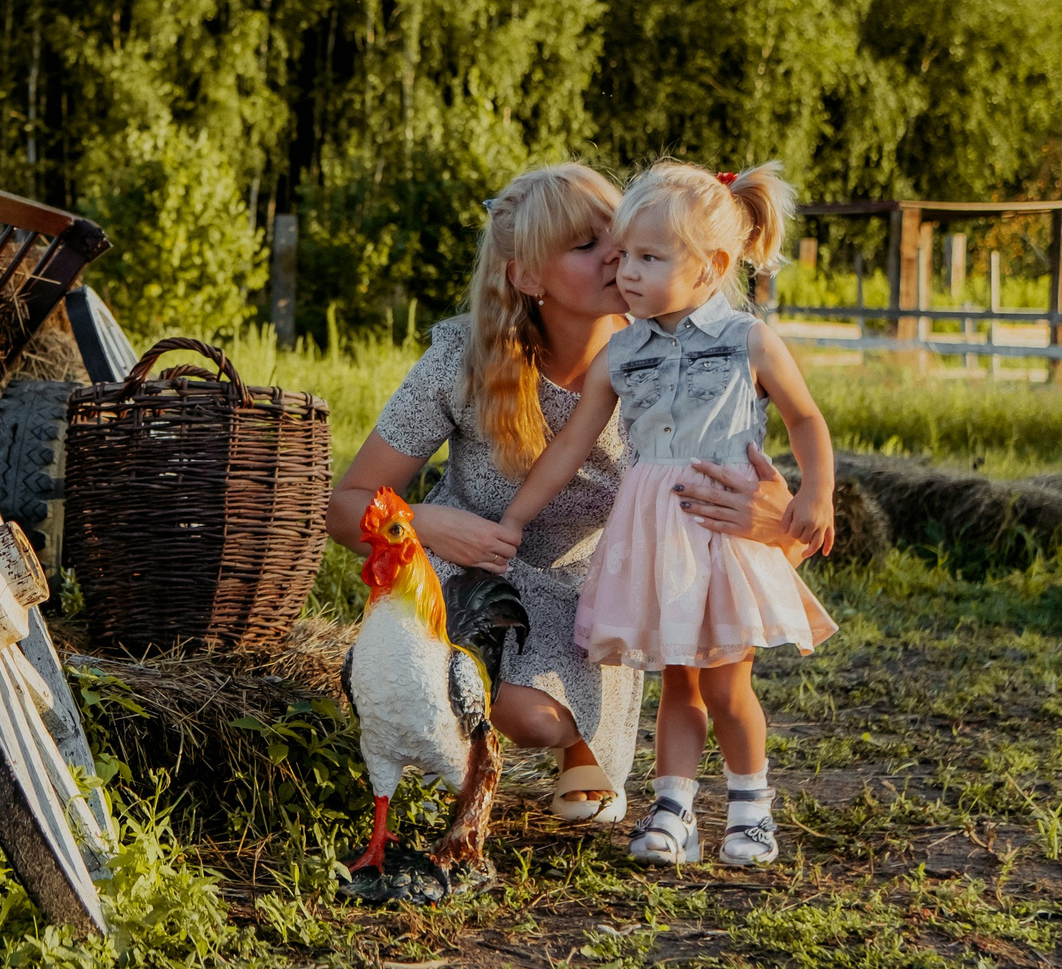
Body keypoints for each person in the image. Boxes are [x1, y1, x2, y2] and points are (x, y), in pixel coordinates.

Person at [327, 162, 801, 826]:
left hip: (588, 587)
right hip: (463, 567)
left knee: (539, 718)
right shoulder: (460, 357)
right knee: (443, 672)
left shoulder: (664, 363)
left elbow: (776, 514)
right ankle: (437, 717)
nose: (617, 255)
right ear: (528, 276)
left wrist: (774, 521)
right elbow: (344, 505)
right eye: (586, 245)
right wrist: (426, 523)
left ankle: (563, 739)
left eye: (622, 235)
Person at [497, 161, 837, 869]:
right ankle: (674, 810)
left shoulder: (747, 340)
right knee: (678, 684)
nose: (626, 272)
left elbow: (806, 417)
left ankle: (750, 810)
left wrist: (816, 494)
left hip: (721, 534)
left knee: (727, 683)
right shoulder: (622, 352)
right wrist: (514, 519)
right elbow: (569, 447)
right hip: (656, 540)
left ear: (712, 265)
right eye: (623, 255)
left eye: (649, 258)